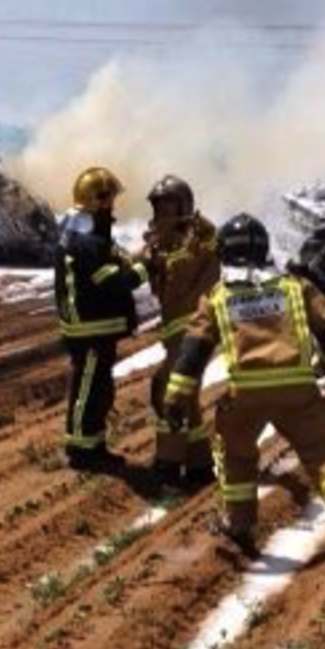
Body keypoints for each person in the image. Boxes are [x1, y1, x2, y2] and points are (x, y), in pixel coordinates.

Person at [161, 213, 325, 568]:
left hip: (246, 395)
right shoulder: (294, 286)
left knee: (236, 455)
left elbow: (193, 353)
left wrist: (175, 399)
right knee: (322, 456)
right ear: (263, 249)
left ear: (224, 253)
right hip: (298, 390)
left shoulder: (218, 297)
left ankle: (239, 523)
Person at [55, 167, 148, 471]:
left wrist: (140, 253)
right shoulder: (86, 240)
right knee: (90, 390)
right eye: (109, 200)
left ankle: (93, 446)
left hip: (95, 328)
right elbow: (113, 282)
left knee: (100, 390)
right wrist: (147, 267)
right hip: (89, 330)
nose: (113, 207)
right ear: (98, 200)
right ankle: (81, 452)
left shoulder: (86, 232)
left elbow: (115, 260)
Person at [139, 175, 220, 489]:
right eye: (158, 208)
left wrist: (191, 228)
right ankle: (200, 466)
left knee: (167, 391)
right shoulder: (161, 245)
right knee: (187, 401)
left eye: (168, 208)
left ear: (183, 208)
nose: (162, 215)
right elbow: (140, 262)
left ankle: (168, 466)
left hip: (195, 334)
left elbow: (209, 242)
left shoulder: (200, 238)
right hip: (177, 337)